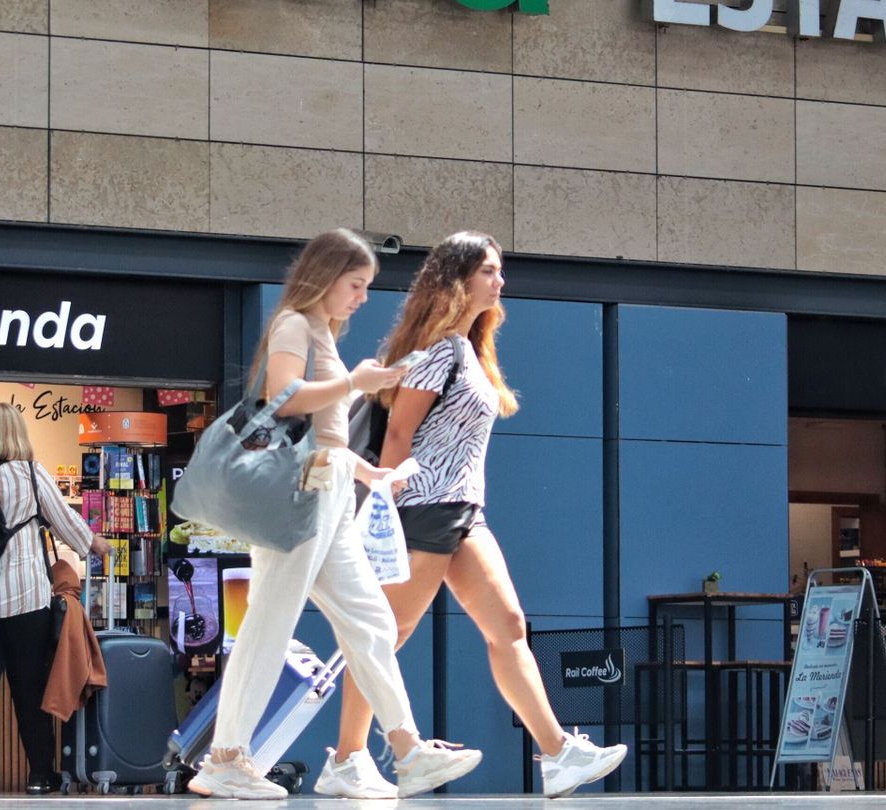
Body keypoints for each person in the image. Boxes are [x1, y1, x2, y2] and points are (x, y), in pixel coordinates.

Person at [322, 231, 626, 800]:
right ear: (457, 280)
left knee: (508, 627)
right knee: (384, 636)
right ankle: (347, 758)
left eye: (499, 270)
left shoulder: (468, 350)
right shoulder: (438, 351)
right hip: (424, 507)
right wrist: (381, 513)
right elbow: (399, 433)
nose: (500, 280)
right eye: (488, 270)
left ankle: (557, 753)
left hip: (464, 511)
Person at [189, 228, 484, 801]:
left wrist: (365, 471)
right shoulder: (296, 325)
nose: (363, 297)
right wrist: (355, 382)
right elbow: (282, 399)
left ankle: (407, 749)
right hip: (301, 500)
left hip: (326, 497)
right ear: (325, 277)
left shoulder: (317, 330)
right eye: (356, 283)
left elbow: (321, 431)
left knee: (370, 621)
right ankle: (225, 758)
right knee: (271, 626)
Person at [0, 402, 111, 798]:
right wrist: (94, 544)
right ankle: (39, 775)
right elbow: (64, 520)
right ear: (18, 434)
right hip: (26, 600)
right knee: (30, 691)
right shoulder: (30, 473)